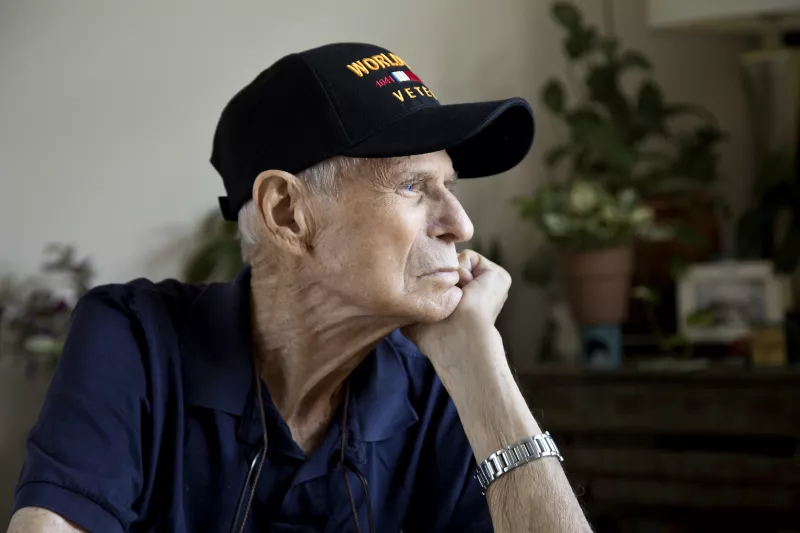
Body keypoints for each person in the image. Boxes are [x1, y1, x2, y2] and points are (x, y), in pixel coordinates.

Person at [7, 43, 591, 533]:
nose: (460, 225)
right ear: (286, 212)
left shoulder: (437, 389)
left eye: (449, 186)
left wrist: (481, 367)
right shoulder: (134, 338)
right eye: (415, 186)